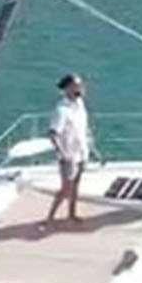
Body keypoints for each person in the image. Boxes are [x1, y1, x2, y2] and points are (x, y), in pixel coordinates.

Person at [44, 73, 92, 226]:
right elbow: (53, 134)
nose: (81, 87)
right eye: (77, 85)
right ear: (68, 88)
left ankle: (72, 214)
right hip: (69, 155)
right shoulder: (61, 110)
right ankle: (50, 218)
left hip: (81, 152)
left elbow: (83, 128)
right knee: (65, 188)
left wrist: (91, 147)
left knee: (76, 185)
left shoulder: (80, 104)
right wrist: (63, 154)